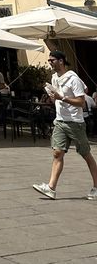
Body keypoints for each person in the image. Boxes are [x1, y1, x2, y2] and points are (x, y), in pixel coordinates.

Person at [33, 50, 97, 200]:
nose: (50, 63)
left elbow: (81, 102)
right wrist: (52, 97)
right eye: (48, 60)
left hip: (75, 123)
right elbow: (58, 97)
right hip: (60, 121)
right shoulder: (55, 78)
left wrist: (62, 98)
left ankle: (96, 186)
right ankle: (51, 188)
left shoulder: (72, 79)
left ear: (61, 61)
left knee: (86, 155)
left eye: (52, 60)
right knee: (57, 153)